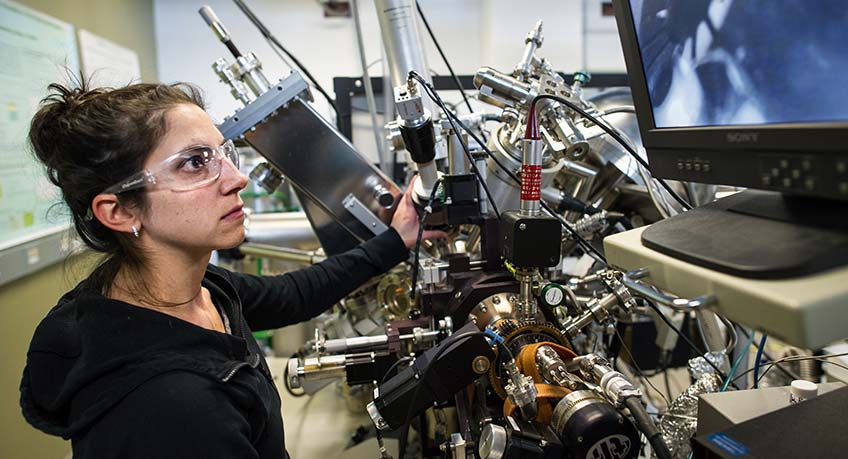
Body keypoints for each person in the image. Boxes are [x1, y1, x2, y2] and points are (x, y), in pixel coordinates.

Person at [20, 80, 443, 458]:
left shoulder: (191, 288)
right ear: (119, 210)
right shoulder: (170, 409)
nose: (237, 178)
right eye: (194, 162)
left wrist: (397, 240)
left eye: (223, 153)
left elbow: (293, 295)